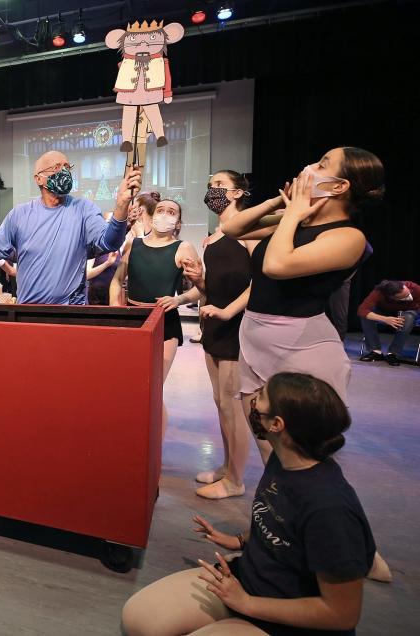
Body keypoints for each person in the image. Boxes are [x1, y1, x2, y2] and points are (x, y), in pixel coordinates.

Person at [122, 373, 375, 636]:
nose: (252, 403)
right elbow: (279, 521)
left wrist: (249, 604)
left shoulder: (330, 510)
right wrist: (241, 540)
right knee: (138, 620)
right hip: (247, 581)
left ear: (277, 424)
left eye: (260, 398)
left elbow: (342, 614)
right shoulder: (285, 459)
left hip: (287, 618)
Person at [220, 147, 384, 409]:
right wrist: (279, 203)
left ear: (339, 186)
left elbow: (276, 265)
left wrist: (293, 215)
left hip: (300, 345)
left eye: (322, 164)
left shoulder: (348, 237)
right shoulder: (294, 221)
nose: (309, 167)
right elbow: (232, 228)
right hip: (254, 337)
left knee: (298, 444)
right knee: (265, 439)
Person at [0, 151, 139, 304]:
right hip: (30, 316)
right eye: (56, 167)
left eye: (68, 167)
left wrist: (122, 205)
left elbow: (110, 243)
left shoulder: (84, 210)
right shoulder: (19, 215)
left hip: (71, 316)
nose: (64, 172)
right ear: (39, 179)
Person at [184, 170, 256, 499]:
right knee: (220, 403)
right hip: (213, 324)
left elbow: (263, 280)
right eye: (209, 184)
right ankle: (228, 467)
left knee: (232, 405)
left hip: (237, 326)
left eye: (219, 185)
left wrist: (229, 311)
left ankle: (236, 480)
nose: (211, 190)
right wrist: (198, 278)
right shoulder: (212, 238)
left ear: (238, 193)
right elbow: (207, 289)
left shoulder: (250, 230)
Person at [110, 198, 201, 439]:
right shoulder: (135, 245)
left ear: (178, 221)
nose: (165, 214)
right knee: (132, 388)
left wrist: (179, 300)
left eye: (171, 212)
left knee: (153, 389)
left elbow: (202, 287)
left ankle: (154, 450)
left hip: (164, 323)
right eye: (161, 210)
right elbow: (117, 280)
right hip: (133, 321)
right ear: (152, 215)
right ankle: (133, 441)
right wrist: (114, 310)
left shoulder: (184, 248)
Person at [357, 279, 420, 365]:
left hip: (409, 311)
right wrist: (385, 319)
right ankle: (376, 351)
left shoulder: (414, 287)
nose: (410, 296)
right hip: (385, 311)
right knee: (367, 315)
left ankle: (393, 353)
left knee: (408, 318)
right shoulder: (379, 293)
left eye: (408, 293)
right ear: (393, 298)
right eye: (405, 296)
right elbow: (362, 310)